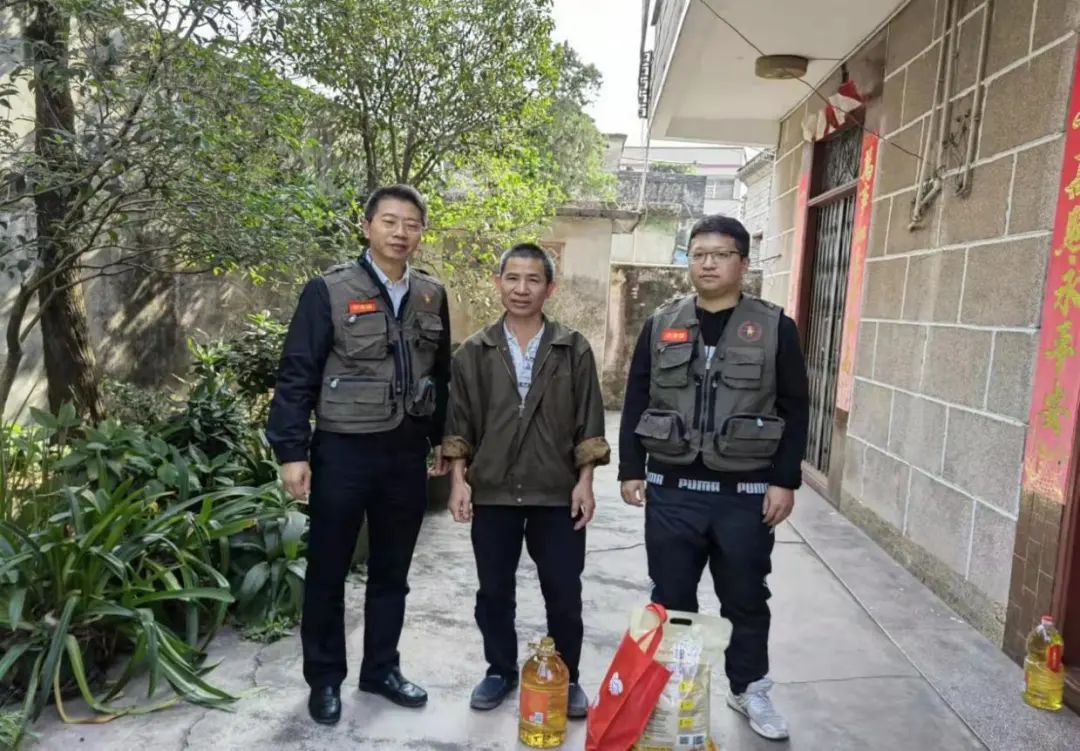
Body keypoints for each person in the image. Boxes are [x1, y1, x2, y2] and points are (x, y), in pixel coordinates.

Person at [266, 184, 452, 725]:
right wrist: (292, 451)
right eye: (389, 221)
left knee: (392, 572)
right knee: (328, 570)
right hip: (342, 451)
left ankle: (381, 669)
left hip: (404, 454)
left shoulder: (431, 295)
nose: (400, 232)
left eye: (411, 223)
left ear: (421, 232)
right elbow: (297, 372)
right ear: (367, 226)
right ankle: (325, 679)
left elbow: (441, 375)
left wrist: (443, 438)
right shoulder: (328, 290)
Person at [618, 214, 809, 741]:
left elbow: (795, 408)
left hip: (744, 494)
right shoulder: (662, 322)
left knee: (745, 597)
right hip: (672, 491)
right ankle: (671, 693)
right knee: (671, 597)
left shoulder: (774, 327)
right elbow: (638, 396)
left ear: (743, 263)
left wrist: (784, 480)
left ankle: (748, 688)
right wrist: (632, 468)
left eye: (721, 254)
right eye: (698, 253)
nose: (707, 264)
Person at [441, 242, 610, 718]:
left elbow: (589, 419)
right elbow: (459, 423)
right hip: (493, 491)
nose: (521, 289)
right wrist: (459, 482)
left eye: (533, 279)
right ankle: (499, 670)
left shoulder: (572, 348)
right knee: (494, 591)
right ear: (498, 283)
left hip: (556, 493)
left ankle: (567, 675)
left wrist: (585, 481)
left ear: (549, 288)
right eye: (512, 278)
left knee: (563, 591)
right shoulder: (474, 351)